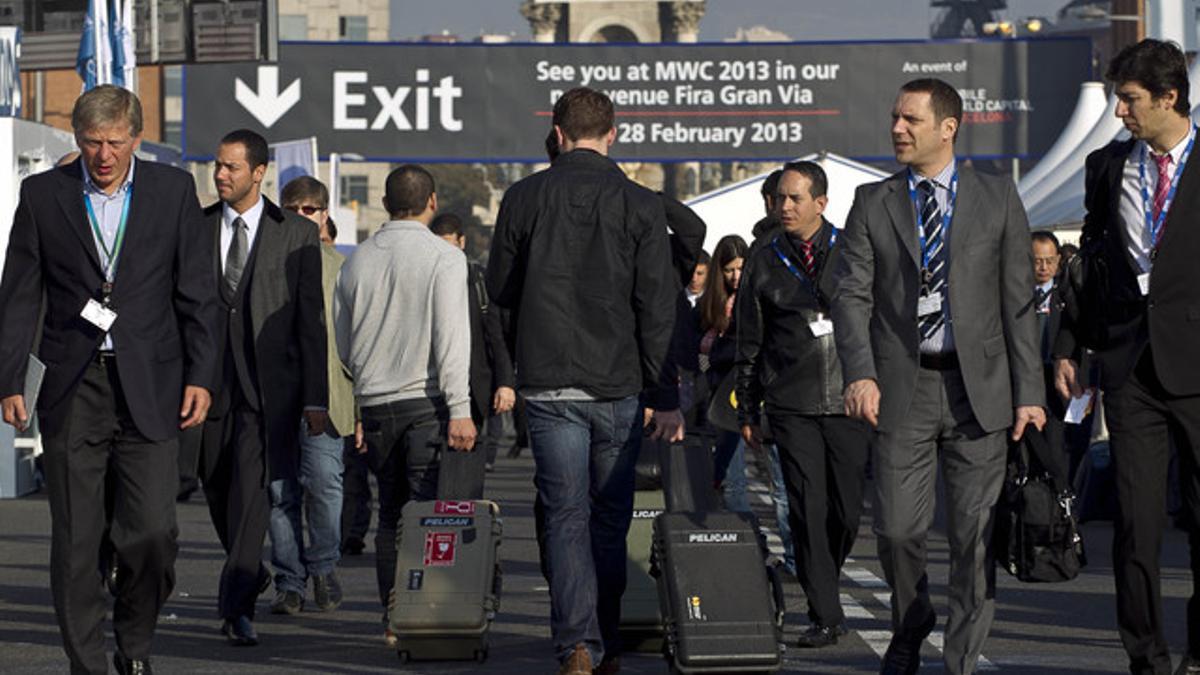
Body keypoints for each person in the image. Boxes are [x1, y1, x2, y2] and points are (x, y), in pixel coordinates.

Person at [0, 84, 218, 674]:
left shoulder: (173, 193)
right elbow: (20, 295)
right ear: (77, 139)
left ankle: (135, 642)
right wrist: (10, 379)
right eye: (93, 142)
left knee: (150, 533)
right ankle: (89, 663)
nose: (103, 155)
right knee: (76, 538)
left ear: (136, 140)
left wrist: (203, 375)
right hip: (74, 386)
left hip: (151, 384)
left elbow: (197, 291)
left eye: (115, 143)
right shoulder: (43, 195)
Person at [832, 78, 1044, 675]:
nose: (897, 129)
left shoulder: (997, 197)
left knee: (974, 539)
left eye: (911, 120)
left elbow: (1018, 302)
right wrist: (860, 374)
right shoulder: (872, 202)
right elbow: (851, 296)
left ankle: (960, 662)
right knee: (898, 530)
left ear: (948, 128)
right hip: (904, 388)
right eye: (895, 117)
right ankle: (912, 616)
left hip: (981, 393)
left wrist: (1030, 391)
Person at [486, 87, 681, 675]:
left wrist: (512, 370)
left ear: (558, 130)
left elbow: (499, 297)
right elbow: (657, 306)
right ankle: (608, 641)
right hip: (617, 384)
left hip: (547, 384)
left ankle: (578, 642)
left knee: (564, 516)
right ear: (613, 133)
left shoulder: (523, 198)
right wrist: (663, 391)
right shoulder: (642, 205)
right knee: (609, 519)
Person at [1052, 39, 1200, 675]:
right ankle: (1146, 658)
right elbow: (1087, 264)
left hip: (1198, 364)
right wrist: (1067, 343)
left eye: (1130, 99)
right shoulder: (1106, 165)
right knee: (1135, 526)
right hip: (1127, 364)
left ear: (1169, 97)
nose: (1120, 112)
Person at [333, 164, 476, 644]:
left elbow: (345, 343)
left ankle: (393, 614)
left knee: (390, 514)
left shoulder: (357, 261)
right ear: (432, 202)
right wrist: (461, 407)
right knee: (430, 513)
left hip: (374, 403)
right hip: (426, 401)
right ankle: (427, 612)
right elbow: (451, 339)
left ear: (385, 203)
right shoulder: (444, 257)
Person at [199, 129, 329, 646]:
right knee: (214, 487)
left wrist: (315, 396)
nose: (220, 175)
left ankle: (237, 606)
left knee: (252, 496)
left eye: (231, 167)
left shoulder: (294, 234)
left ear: (259, 173)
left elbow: (310, 322)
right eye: (217, 166)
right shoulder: (197, 225)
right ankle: (251, 572)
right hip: (205, 386)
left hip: (267, 391)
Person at [737, 160, 870, 649]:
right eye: (780, 198)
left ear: (821, 202)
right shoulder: (763, 257)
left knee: (847, 511)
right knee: (806, 507)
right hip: (792, 403)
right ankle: (825, 612)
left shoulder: (854, 248)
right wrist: (749, 409)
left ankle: (825, 579)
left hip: (850, 398)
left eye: (795, 198)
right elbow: (748, 341)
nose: (785, 206)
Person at [261, 175, 355, 615]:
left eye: (309, 211)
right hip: (274, 394)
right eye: (292, 210)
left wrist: (358, 410)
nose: (300, 218)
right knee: (280, 493)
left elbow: (355, 342)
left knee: (324, 485)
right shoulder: (265, 261)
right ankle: (290, 582)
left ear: (324, 215)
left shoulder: (343, 270)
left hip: (329, 398)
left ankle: (323, 566)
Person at [429, 211, 516, 476]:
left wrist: (505, 382)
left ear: (462, 242)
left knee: (463, 471)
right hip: (428, 389)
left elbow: (496, 335)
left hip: (472, 387)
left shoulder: (479, 281)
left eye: (450, 243)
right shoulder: (424, 277)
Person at [698, 234, 751, 513]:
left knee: (733, 478)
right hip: (715, 395)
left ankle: (754, 543)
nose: (735, 276)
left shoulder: (751, 302)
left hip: (739, 393)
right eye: (729, 269)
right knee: (727, 472)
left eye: (740, 268)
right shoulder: (707, 305)